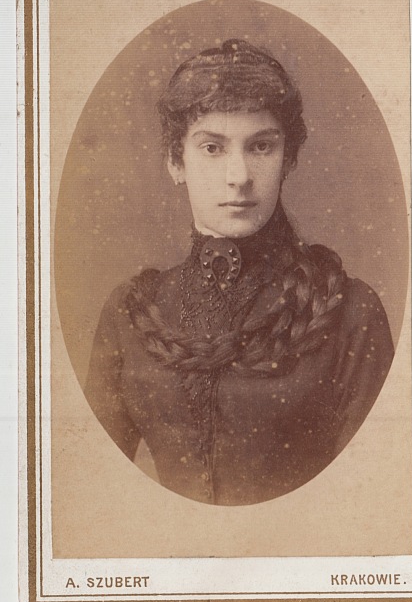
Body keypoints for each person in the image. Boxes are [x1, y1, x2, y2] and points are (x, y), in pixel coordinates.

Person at [85, 39, 394, 506]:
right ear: (175, 161)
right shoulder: (132, 313)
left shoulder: (349, 312)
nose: (239, 176)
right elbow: (91, 491)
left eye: (261, 146)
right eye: (212, 147)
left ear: (288, 159)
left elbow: (373, 503)